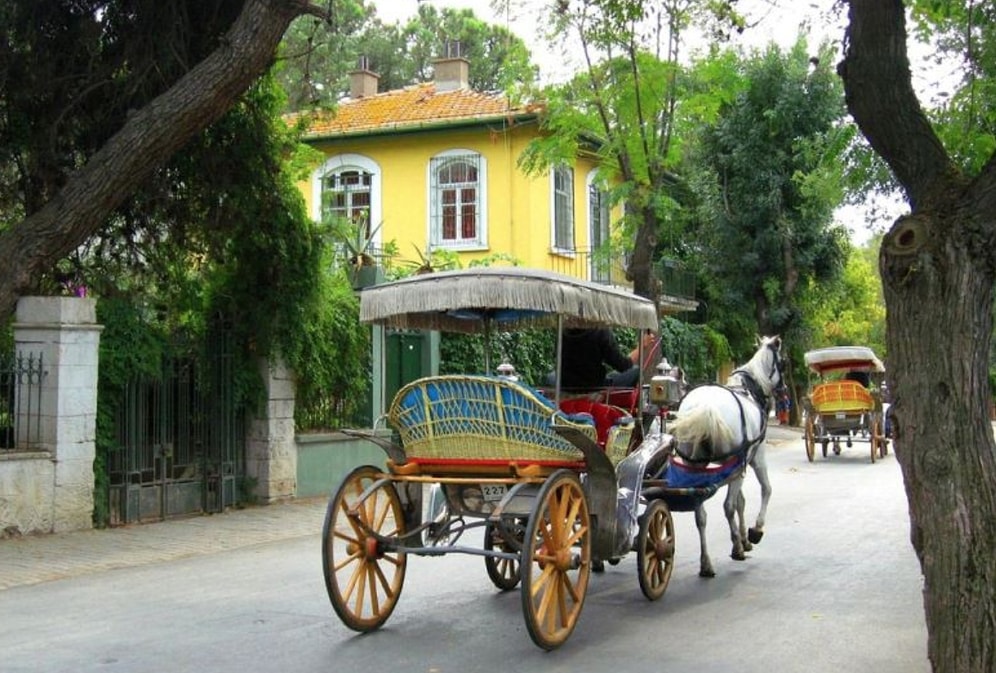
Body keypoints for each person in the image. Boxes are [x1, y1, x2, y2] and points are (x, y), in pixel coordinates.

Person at [557, 327, 656, 391]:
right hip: (595, 387)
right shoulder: (600, 331)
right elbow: (623, 365)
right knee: (635, 370)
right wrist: (642, 346)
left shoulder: (564, 331)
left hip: (566, 384)